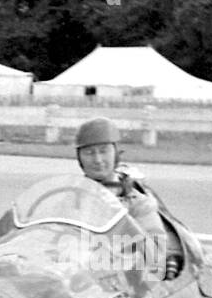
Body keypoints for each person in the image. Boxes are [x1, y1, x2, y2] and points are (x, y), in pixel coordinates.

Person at [74, 117, 176, 277]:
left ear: (115, 153)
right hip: (76, 280)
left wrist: (123, 224)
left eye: (103, 151)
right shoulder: (71, 197)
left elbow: (156, 258)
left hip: (119, 284)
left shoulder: (138, 204)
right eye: (89, 153)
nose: (98, 160)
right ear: (80, 158)